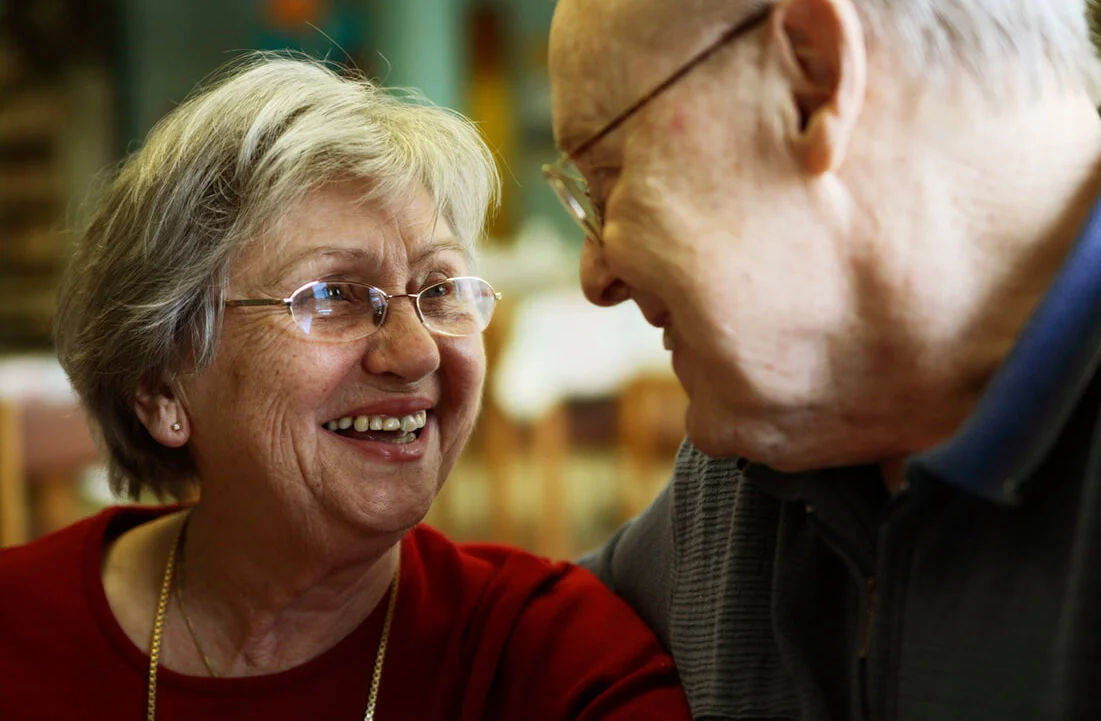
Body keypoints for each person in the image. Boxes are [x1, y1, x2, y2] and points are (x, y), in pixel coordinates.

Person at [542, 0, 1101, 719]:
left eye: (606, 177)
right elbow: (493, 653)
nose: (595, 277)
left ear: (809, 79)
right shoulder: (764, 456)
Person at [0, 54, 691, 721]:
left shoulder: (549, 654)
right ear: (160, 390)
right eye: (333, 294)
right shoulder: (21, 628)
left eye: (441, 288)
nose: (416, 351)